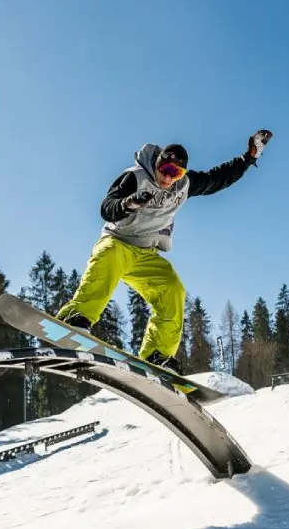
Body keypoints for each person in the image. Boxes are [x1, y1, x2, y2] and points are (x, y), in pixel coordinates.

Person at [55, 129, 273, 375]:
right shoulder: (134, 178)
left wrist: (249, 157)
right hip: (118, 242)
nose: (168, 178)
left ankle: (157, 355)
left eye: (176, 173)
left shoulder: (184, 184)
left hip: (146, 254)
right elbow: (107, 208)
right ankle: (76, 318)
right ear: (157, 163)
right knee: (109, 257)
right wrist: (127, 204)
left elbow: (218, 178)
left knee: (172, 289)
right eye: (165, 170)